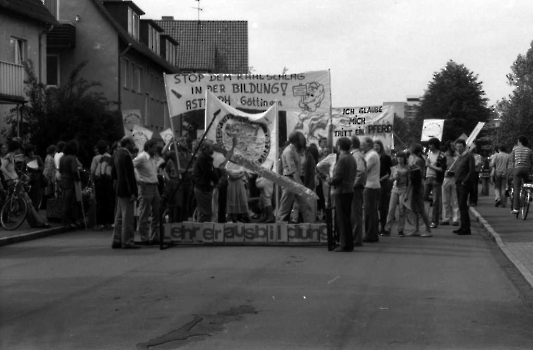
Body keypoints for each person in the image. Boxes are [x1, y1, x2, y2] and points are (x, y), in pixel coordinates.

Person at [0, 141, 50, 229]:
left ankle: (35, 222)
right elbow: (2, 167)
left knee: (26, 204)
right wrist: (11, 176)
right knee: (28, 202)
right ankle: (38, 222)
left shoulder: (10, 156)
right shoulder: (9, 156)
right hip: (14, 181)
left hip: (13, 181)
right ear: (17, 148)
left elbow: (11, 169)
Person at [277, 131, 314, 223]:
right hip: (290, 181)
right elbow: (293, 171)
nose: (303, 140)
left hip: (293, 181)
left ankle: (310, 228)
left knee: (306, 205)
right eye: (301, 138)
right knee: (284, 209)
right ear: (297, 140)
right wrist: (302, 186)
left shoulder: (293, 150)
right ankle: (279, 230)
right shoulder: (289, 151)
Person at [328, 137, 357, 252]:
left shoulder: (342, 159)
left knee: (342, 219)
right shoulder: (351, 158)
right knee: (346, 218)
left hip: (341, 191)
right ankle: (349, 243)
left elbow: (337, 178)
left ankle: (345, 244)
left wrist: (329, 180)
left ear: (339, 146)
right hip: (349, 189)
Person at [111, 136, 139, 249]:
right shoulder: (126, 155)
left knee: (119, 217)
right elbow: (129, 176)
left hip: (119, 188)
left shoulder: (117, 154)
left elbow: (114, 173)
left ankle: (116, 239)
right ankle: (127, 241)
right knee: (127, 217)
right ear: (127, 144)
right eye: (132, 143)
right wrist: (133, 192)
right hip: (127, 190)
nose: (134, 145)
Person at [133, 139, 161, 244]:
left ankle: (154, 236)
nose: (156, 149)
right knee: (144, 212)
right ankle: (144, 237)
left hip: (154, 185)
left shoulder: (152, 158)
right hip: (145, 186)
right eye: (154, 147)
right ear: (148, 148)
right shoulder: (142, 157)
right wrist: (138, 179)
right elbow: (131, 166)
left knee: (156, 212)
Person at [406, 143, 432, 237]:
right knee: (414, 208)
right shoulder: (412, 159)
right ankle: (416, 229)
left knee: (420, 208)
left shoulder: (418, 160)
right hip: (413, 185)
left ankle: (428, 230)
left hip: (417, 185)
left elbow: (418, 173)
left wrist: (410, 170)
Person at [382, 151, 409, 236]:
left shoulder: (407, 168)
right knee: (391, 209)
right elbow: (390, 179)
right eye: (398, 157)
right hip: (395, 188)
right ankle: (387, 229)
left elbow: (410, 181)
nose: (399, 159)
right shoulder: (394, 168)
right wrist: (393, 178)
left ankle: (400, 230)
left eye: (401, 157)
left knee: (402, 210)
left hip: (403, 188)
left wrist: (408, 192)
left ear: (404, 159)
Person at [452, 138, 475, 235]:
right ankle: (463, 226)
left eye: (460, 146)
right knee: (461, 206)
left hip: (464, 184)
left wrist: (465, 181)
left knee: (463, 205)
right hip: (458, 183)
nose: (458, 148)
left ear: (464, 146)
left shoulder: (469, 157)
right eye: (457, 146)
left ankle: (467, 228)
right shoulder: (459, 157)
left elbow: (472, 170)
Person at [193, 139, 219, 223]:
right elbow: (208, 172)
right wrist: (216, 179)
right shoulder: (203, 158)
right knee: (205, 213)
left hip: (205, 188)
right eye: (211, 147)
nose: (213, 149)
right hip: (202, 188)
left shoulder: (206, 158)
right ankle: (201, 232)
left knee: (205, 212)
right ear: (206, 148)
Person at [90, 140, 114, 230]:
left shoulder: (96, 158)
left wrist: (92, 182)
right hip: (108, 181)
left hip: (99, 181)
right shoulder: (110, 157)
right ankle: (109, 222)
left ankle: (100, 223)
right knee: (108, 201)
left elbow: (92, 171)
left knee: (99, 202)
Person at [424, 138, 446, 228]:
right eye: (429, 144)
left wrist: (430, 166)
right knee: (424, 198)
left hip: (436, 179)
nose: (430, 146)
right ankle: (425, 219)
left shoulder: (441, 155)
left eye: (431, 144)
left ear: (435, 145)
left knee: (436, 200)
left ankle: (434, 221)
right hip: (427, 178)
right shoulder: (427, 154)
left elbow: (441, 169)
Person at [59, 140, 82, 228]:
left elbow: (60, 170)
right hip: (70, 181)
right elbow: (74, 170)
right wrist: (77, 179)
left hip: (63, 180)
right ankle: (68, 221)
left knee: (64, 200)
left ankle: (64, 220)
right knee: (70, 202)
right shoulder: (72, 158)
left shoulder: (62, 158)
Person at [361, 137, 380, 242]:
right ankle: (371, 233)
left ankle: (371, 234)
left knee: (370, 212)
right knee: (370, 211)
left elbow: (364, 169)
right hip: (370, 185)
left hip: (370, 185)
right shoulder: (370, 155)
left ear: (367, 145)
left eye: (362, 144)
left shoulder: (372, 155)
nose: (361, 146)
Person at [510, 135, 533, 214]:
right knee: (528, 183)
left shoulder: (515, 149)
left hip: (517, 169)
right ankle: (529, 194)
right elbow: (531, 161)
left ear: (520, 142)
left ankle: (516, 209)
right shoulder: (529, 150)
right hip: (526, 169)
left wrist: (512, 171)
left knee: (517, 189)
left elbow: (512, 160)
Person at [350, 136, 367, 246]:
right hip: (356, 186)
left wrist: (354, 184)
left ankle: (356, 238)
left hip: (356, 188)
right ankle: (355, 237)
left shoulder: (356, 155)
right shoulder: (357, 155)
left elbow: (360, 171)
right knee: (354, 214)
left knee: (355, 214)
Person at [374, 140, 392, 235]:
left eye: (378, 146)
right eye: (374, 146)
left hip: (383, 182)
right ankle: (375, 227)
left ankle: (383, 227)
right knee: (374, 207)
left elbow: (390, 172)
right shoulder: (371, 157)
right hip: (373, 183)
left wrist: (382, 179)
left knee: (382, 206)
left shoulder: (386, 158)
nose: (376, 148)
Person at [440, 141, 460, 226]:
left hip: (455, 178)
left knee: (455, 200)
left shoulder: (457, 157)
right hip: (446, 178)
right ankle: (446, 218)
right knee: (445, 200)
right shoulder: (443, 156)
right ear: (448, 147)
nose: (454, 148)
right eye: (452, 146)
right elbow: (441, 167)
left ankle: (456, 219)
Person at [24, 144, 44, 209]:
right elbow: (22, 169)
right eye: (29, 152)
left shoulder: (37, 157)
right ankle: (29, 207)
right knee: (29, 193)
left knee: (36, 193)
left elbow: (42, 167)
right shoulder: (25, 159)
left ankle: (35, 208)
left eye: (32, 151)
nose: (31, 153)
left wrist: (37, 169)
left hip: (36, 177)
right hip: (29, 178)